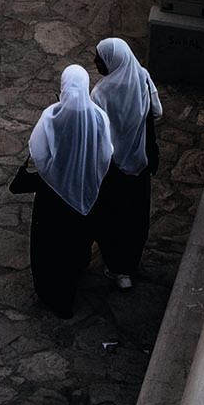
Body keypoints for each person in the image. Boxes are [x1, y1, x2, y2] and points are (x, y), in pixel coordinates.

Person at [25, 64, 112, 316]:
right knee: (76, 243)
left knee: (50, 245)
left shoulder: (52, 116)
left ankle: (51, 291)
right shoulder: (98, 117)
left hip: (52, 196)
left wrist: (54, 174)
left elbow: (38, 153)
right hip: (84, 191)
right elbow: (106, 154)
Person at [92, 36, 162, 286]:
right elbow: (157, 112)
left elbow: (96, 130)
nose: (96, 62)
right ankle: (129, 266)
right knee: (135, 216)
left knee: (111, 216)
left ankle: (115, 267)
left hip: (112, 167)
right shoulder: (142, 77)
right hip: (139, 163)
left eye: (100, 59)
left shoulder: (100, 93)